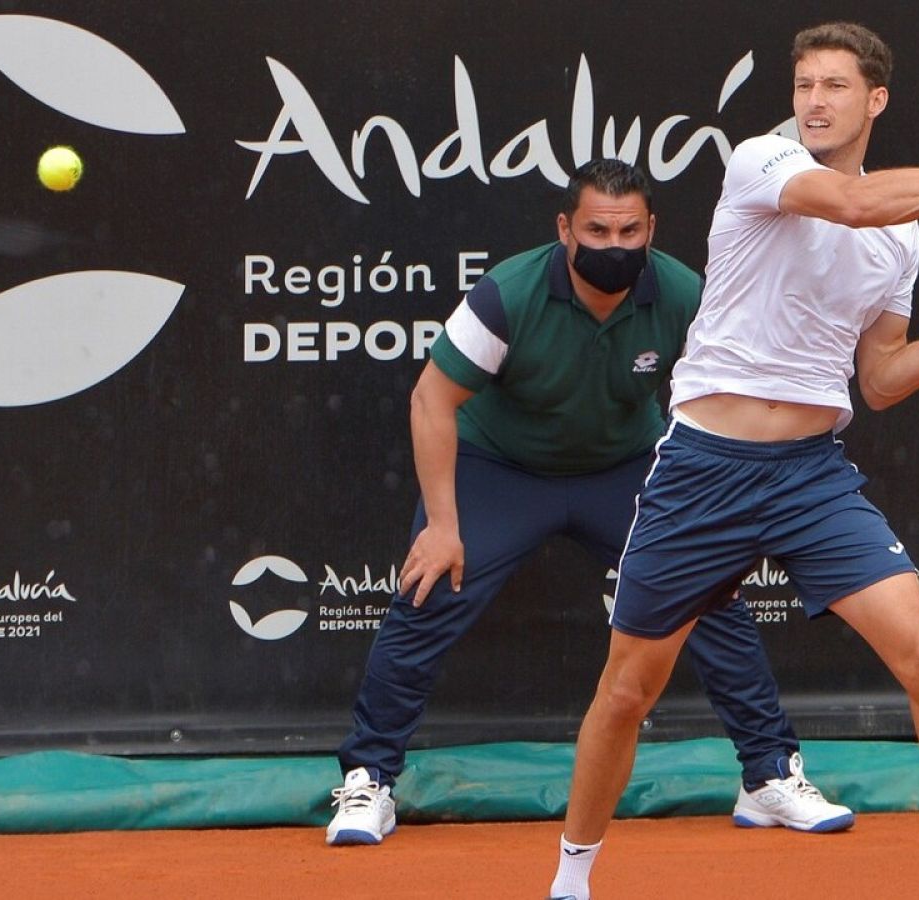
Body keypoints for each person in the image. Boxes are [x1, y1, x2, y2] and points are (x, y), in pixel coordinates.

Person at [548, 22, 919, 900]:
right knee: (626, 693)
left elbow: (879, 381)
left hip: (809, 477)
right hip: (703, 469)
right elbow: (854, 202)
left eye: (835, 87)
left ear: (875, 100)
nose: (815, 103)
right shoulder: (763, 162)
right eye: (805, 87)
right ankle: (570, 883)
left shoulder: (901, 240)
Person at [327, 159, 854, 847]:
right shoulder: (506, 294)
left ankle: (768, 775)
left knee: (713, 594)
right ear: (565, 229)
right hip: (499, 468)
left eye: (629, 230)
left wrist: (727, 504)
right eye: (597, 229)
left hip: (626, 470)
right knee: (427, 588)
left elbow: (729, 396)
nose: (614, 245)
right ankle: (370, 779)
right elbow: (431, 398)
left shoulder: (685, 293)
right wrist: (445, 524)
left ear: (652, 228)